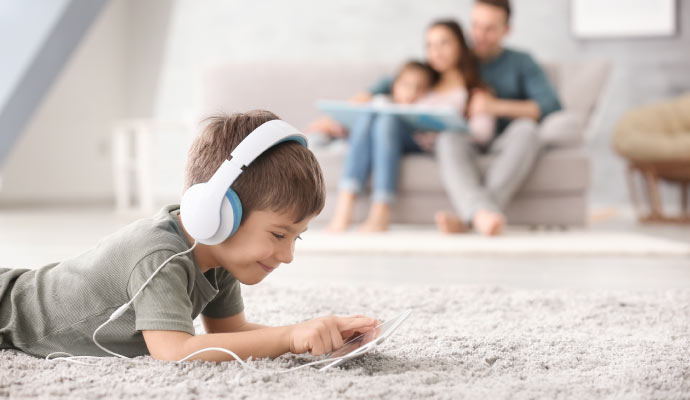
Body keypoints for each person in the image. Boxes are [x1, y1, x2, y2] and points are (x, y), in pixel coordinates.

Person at [0, 111, 378, 362]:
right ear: (217, 212)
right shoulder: (160, 254)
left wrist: (317, 336)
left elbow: (232, 333)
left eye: (297, 238)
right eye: (279, 234)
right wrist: (289, 337)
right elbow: (175, 350)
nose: (287, 255)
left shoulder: (220, 255)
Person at [312, 0, 562, 236]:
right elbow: (391, 84)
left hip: (495, 137)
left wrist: (494, 106)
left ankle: (472, 217)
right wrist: (343, 113)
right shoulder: (446, 61)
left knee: (527, 130)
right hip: (453, 138)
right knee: (429, 132)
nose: (479, 35)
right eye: (475, 26)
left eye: (489, 29)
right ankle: (480, 214)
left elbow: (550, 105)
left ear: (506, 29)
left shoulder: (516, 63)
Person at [327, 21, 495, 233]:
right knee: (374, 113)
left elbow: (482, 134)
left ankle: (381, 212)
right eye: (430, 46)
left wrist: (453, 125)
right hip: (402, 136)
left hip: (433, 145)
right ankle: (345, 208)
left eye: (444, 44)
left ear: (460, 46)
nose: (437, 52)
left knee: (386, 119)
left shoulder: (473, 90)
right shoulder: (424, 79)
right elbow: (385, 87)